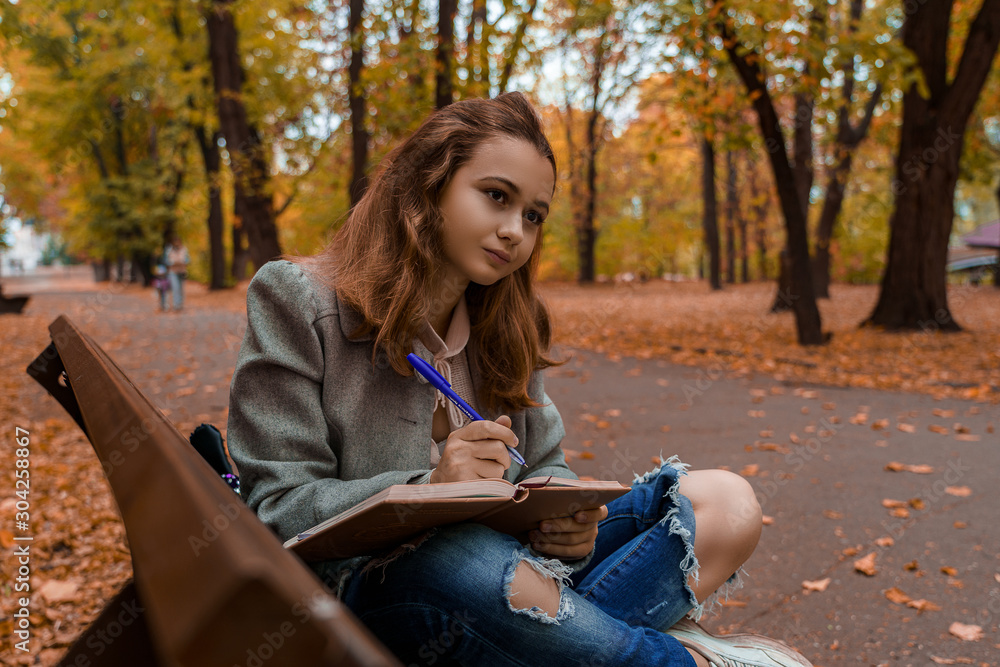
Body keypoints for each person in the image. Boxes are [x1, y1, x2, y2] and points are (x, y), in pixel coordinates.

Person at [227, 92, 813, 667]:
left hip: (517, 572)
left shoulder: (508, 323)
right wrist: (430, 486)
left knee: (723, 504)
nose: (514, 230)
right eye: (495, 197)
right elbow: (277, 508)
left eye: (533, 215)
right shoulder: (300, 299)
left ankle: (558, 647)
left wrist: (569, 522)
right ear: (426, 187)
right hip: (379, 586)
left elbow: (544, 467)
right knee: (463, 556)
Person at [164, 235, 189, 312]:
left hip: (182, 271)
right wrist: (172, 263)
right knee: (175, 288)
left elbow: (188, 260)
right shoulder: (169, 250)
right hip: (173, 271)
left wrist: (183, 262)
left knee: (181, 288)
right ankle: (176, 305)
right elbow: (165, 261)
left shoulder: (184, 249)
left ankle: (180, 304)